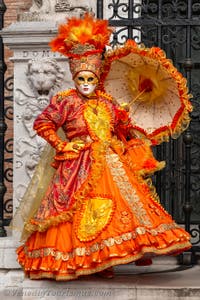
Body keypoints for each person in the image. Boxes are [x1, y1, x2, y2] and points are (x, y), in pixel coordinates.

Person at [15, 14, 191, 281]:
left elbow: (120, 130)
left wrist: (122, 118)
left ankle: (110, 258)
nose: (86, 84)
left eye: (91, 79)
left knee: (124, 207)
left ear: (97, 78)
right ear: (75, 77)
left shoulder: (108, 102)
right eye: (82, 79)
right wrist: (63, 143)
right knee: (78, 212)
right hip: (77, 166)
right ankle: (84, 261)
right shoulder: (65, 101)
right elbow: (43, 124)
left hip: (111, 161)